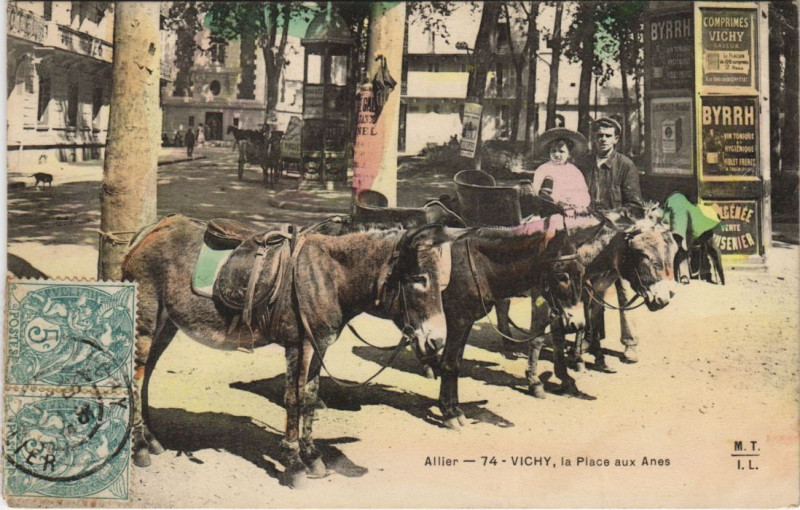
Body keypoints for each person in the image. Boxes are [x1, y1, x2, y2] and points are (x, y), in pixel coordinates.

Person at [576, 116, 644, 363]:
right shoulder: (583, 164)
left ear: (616, 139)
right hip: (590, 233)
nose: (602, 139)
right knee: (589, 285)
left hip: (618, 234)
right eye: (598, 135)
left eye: (607, 135)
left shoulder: (626, 165)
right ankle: (590, 338)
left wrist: (612, 219)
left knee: (625, 287)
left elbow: (635, 207)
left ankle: (630, 342)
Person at [529, 127, 591, 214]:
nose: (557, 154)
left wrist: (576, 202)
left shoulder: (574, 171)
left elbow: (583, 193)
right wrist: (558, 201)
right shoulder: (543, 169)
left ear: (569, 154)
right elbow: (537, 193)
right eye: (553, 151)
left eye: (561, 151)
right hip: (550, 210)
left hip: (572, 210)